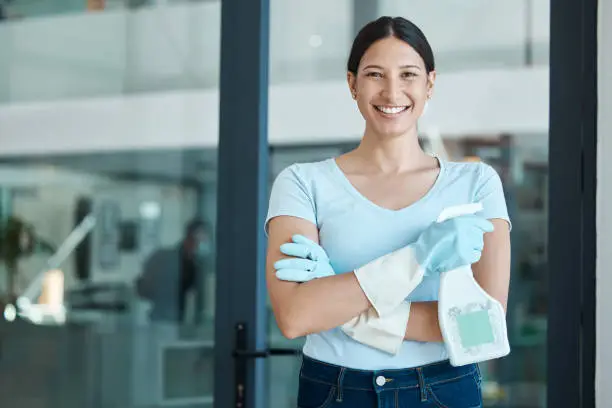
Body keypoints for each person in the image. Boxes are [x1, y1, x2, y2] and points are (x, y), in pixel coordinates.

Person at [265, 16, 511, 407]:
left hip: (443, 389)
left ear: (430, 83)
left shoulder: (476, 183)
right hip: (335, 390)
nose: (392, 91)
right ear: (353, 84)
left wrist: (341, 307)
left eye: (408, 74)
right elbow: (295, 317)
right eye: (375, 74)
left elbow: (481, 325)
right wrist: (419, 255)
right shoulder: (302, 183)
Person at [136, 219, 211, 324]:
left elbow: (199, 301)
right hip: (162, 320)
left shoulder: (196, 265)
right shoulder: (164, 259)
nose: (204, 242)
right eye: (202, 238)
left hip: (177, 321)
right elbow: (145, 289)